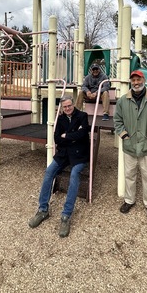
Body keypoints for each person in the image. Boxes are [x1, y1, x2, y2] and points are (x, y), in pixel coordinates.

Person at [28, 95, 90, 237]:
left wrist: (66, 136)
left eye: (69, 105)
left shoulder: (82, 116)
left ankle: (66, 215)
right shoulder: (60, 119)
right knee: (49, 171)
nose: (67, 108)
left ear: (73, 104)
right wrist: (72, 136)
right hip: (63, 154)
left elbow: (82, 134)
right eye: (65, 107)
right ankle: (43, 209)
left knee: (74, 175)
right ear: (62, 107)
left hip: (79, 155)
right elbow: (56, 139)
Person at [113, 70, 147, 222]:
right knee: (129, 175)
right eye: (133, 80)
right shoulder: (123, 101)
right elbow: (117, 120)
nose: (136, 83)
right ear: (131, 82)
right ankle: (129, 201)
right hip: (130, 146)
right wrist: (124, 135)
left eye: (138, 79)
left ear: (143, 80)